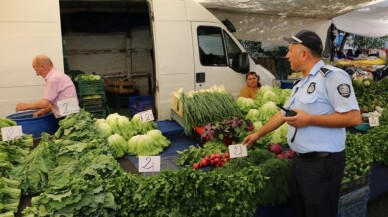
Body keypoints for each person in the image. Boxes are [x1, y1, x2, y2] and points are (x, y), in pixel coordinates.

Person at [243, 30, 361, 217]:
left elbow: (353, 118)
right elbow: (282, 114)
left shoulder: (332, 77)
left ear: (304, 53)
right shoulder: (301, 83)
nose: (287, 55)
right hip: (300, 162)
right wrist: (258, 134)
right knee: (301, 211)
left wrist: (310, 119)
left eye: (290, 51)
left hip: (322, 163)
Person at [16, 54, 78, 119]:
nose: (37, 74)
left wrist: (25, 106)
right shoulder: (58, 75)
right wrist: (45, 110)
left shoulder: (53, 79)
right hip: (71, 116)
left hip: (67, 118)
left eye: (36, 70)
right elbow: (61, 101)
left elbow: (44, 104)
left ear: (43, 67)